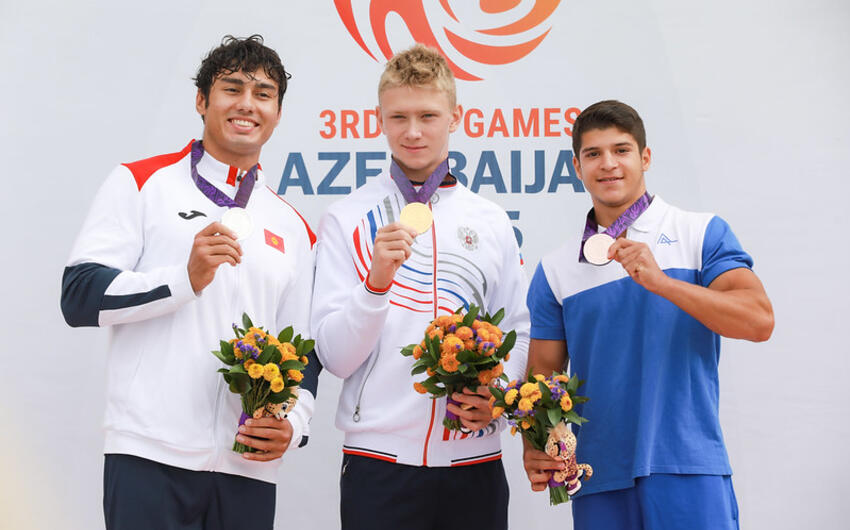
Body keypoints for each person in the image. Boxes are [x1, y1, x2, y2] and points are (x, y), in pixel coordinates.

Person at [60, 35, 319, 530]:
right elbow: (78, 295)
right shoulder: (140, 182)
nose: (247, 104)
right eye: (232, 88)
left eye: (263, 94)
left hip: (247, 465)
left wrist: (294, 422)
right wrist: (183, 279)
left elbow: (304, 349)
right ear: (202, 100)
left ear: (278, 114)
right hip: (150, 453)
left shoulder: (294, 227)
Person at [523, 99, 774, 529]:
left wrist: (663, 283)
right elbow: (541, 379)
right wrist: (534, 445)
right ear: (577, 167)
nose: (608, 164)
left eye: (621, 150)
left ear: (645, 157)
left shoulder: (699, 232)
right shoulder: (555, 269)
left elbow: (758, 320)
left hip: (688, 467)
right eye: (593, 154)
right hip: (598, 476)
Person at [311, 44, 529, 530]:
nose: (413, 132)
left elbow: (518, 330)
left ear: (455, 117)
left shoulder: (491, 220)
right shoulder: (346, 217)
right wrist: (375, 285)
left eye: (428, 116)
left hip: (475, 462)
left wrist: (498, 397)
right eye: (399, 117)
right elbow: (335, 357)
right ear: (379, 120)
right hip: (379, 464)